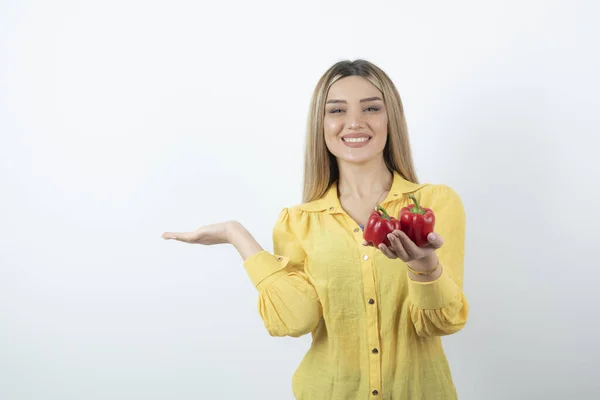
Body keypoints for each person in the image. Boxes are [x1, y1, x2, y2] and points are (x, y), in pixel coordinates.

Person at [162, 59, 469, 399]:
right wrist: (237, 235)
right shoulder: (297, 222)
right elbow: (296, 320)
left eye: (371, 108)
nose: (354, 122)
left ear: (390, 119)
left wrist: (425, 268)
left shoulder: (433, 205)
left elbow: (442, 323)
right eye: (336, 110)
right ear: (320, 124)